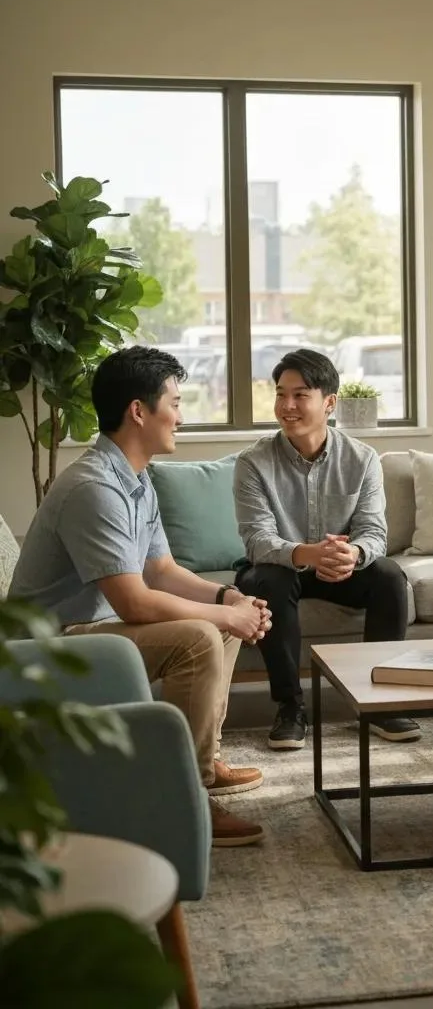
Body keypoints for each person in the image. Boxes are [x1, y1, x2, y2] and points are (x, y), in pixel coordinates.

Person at [10, 347, 271, 848]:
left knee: (222, 619)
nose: (180, 415)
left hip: (89, 633)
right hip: (45, 650)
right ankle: (186, 798)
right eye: (174, 401)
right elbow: (135, 602)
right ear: (138, 411)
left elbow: (162, 570)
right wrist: (224, 614)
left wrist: (230, 597)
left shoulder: (135, 479)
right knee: (200, 635)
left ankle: (204, 762)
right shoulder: (93, 488)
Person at [233, 348, 413, 751]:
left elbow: (373, 532)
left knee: (387, 575)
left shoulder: (363, 459)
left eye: (300, 395)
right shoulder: (253, 463)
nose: (287, 405)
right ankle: (290, 707)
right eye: (281, 394)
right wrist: (307, 554)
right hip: (278, 569)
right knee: (269, 580)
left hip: (339, 572)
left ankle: (381, 704)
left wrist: (355, 555)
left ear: (329, 403)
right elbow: (258, 540)